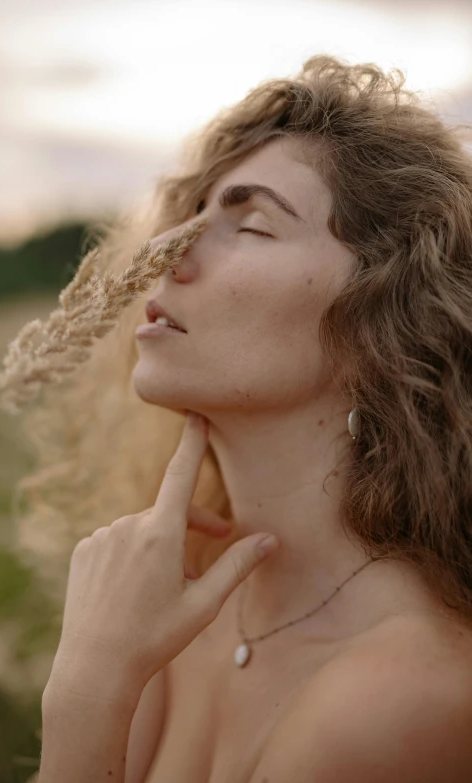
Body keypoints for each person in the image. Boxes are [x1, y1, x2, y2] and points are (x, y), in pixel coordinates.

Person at [33, 55, 472, 782]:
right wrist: (105, 670)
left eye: (253, 225)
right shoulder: (167, 616)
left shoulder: (406, 694)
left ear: (384, 317)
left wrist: (85, 697)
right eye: (189, 218)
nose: (161, 257)